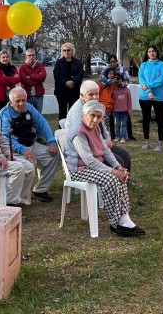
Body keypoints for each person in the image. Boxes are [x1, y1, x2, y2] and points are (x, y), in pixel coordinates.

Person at [64, 100, 145, 237]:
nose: (95, 119)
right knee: (111, 179)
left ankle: (124, 219)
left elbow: (105, 149)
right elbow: (88, 160)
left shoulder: (95, 126)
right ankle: (116, 223)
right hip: (79, 169)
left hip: (93, 165)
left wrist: (118, 167)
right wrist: (114, 172)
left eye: (99, 116)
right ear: (84, 115)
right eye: (92, 115)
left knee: (121, 176)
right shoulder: (79, 132)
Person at [0, 87, 59, 203]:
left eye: (24, 100)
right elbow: (5, 141)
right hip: (13, 150)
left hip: (30, 145)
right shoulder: (4, 115)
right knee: (29, 164)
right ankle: (18, 198)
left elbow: (42, 123)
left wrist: (51, 141)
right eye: (18, 101)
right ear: (10, 102)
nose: (21, 104)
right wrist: (23, 150)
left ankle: (40, 190)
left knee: (52, 156)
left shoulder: (29, 108)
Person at [66, 80, 131, 171]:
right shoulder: (79, 112)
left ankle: (124, 179)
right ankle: (118, 179)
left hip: (99, 144)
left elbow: (102, 128)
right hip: (85, 151)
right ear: (81, 96)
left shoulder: (95, 106)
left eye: (97, 94)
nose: (95, 97)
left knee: (125, 155)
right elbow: (83, 138)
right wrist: (104, 143)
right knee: (119, 160)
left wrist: (107, 140)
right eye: (91, 94)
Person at [138, 45, 163, 151]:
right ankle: (147, 142)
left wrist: (148, 86)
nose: (151, 53)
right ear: (147, 53)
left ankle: (160, 144)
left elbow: (161, 80)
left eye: (153, 51)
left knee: (159, 120)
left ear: (156, 52)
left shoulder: (162, 65)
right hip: (144, 96)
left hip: (159, 97)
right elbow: (141, 80)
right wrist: (148, 91)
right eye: (149, 51)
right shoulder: (143, 65)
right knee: (146, 119)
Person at [99, 55, 135, 140]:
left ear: (117, 61)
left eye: (114, 61)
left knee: (126, 117)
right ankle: (113, 135)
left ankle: (129, 134)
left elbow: (127, 80)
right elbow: (101, 78)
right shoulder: (106, 69)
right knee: (111, 117)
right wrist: (110, 81)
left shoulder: (122, 69)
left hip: (121, 93)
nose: (112, 63)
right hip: (110, 95)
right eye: (110, 62)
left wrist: (121, 84)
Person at [53, 42, 84, 120]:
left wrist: (73, 81)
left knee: (73, 112)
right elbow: (56, 75)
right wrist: (65, 82)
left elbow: (81, 74)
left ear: (72, 51)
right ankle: (61, 130)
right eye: (64, 50)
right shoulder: (59, 62)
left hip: (74, 91)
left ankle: (72, 131)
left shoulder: (78, 62)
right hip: (62, 92)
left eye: (68, 50)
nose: (66, 52)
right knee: (62, 112)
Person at [18, 48, 47, 114]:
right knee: (26, 115)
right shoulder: (22, 67)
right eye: (29, 55)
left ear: (35, 56)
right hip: (27, 95)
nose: (31, 57)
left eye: (33, 55)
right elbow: (24, 80)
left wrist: (30, 76)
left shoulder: (40, 66)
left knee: (38, 115)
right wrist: (37, 79)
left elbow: (43, 77)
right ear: (26, 56)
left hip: (38, 95)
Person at [0, 49, 20, 114]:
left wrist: (4, 78)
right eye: (3, 57)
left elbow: (18, 79)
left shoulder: (13, 68)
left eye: (7, 57)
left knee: (11, 115)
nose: (5, 59)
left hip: (11, 96)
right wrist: (12, 79)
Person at [97, 68, 116, 135]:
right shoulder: (102, 83)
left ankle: (106, 135)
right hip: (103, 106)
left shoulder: (114, 84)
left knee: (108, 123)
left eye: (113, 74)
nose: (111, 75)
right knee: (104, 123)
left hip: (110, 107)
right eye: (110, 74)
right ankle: (104, 135)